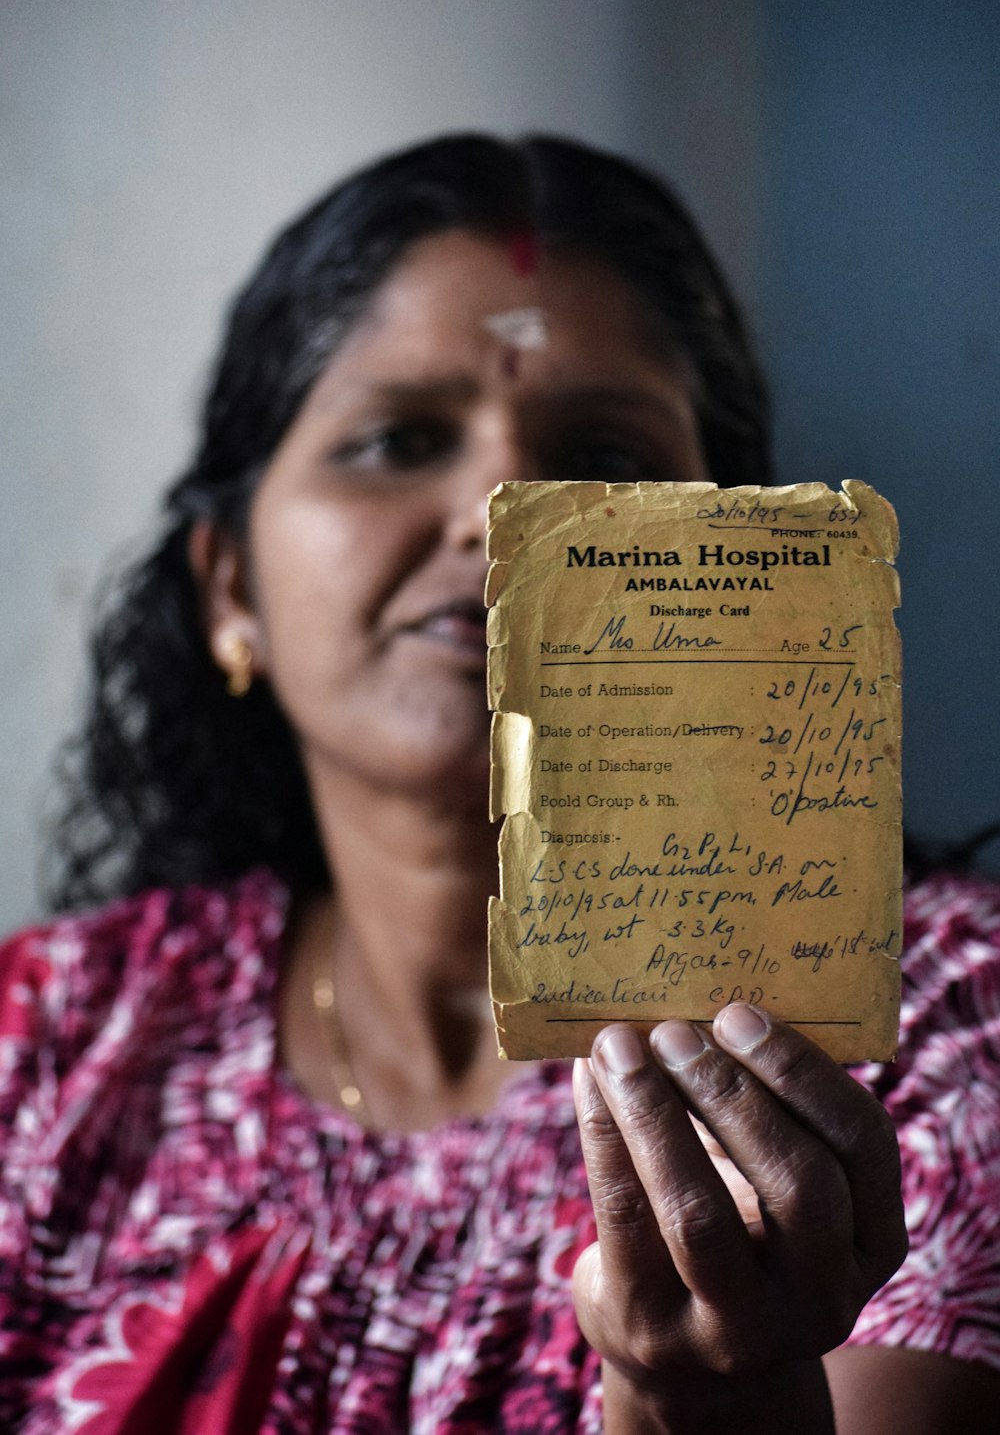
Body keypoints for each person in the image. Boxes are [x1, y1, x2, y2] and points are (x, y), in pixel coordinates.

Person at [0, 133, 997, 1433]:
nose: (500, 505)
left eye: (611, 462)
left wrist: (708, 1398)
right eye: (398, 438)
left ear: (751, 564)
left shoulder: (929, 1034)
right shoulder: (52, 1041)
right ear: (230, 588)